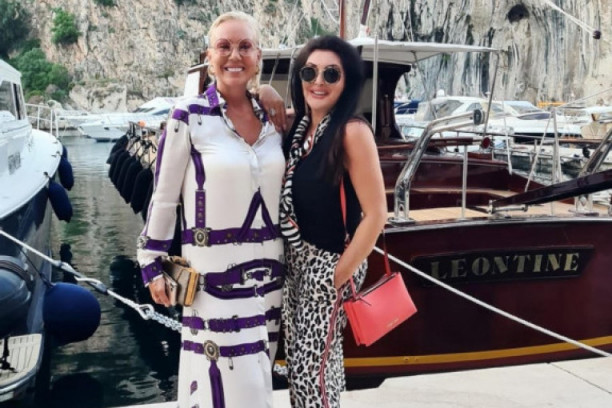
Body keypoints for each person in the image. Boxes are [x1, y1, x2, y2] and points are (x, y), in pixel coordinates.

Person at [137, 11, 285, 408]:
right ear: (209, 56)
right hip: (212, 281)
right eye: (224, 46)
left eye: (245, 46)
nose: (234, 55)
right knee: (222, 384)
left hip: (271, 279)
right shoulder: (187, 116)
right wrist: (151, 262)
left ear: (258, 56)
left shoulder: (274, 119)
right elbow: (164, 196)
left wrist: (268, 94)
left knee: (259, 381)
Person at [279, 36, 387, 408]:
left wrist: (336, 275)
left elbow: (376, 214)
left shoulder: (351, 132)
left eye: (331, 74)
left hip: (329, 264)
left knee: (310, 374)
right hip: (297, 265)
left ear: (347, 82)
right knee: (311, 366)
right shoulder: (300, 131)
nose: (318, 81)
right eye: (309, 72)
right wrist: (265, 91)